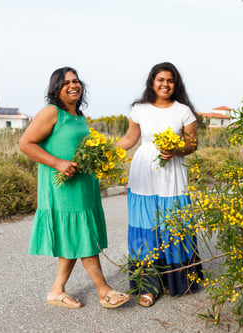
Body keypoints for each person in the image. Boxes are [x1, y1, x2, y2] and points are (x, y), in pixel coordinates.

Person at [19, 67, 130, 309]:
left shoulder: (79, 117)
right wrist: (58, 163)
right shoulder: (52, 112)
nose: (73, 85)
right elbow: (25, 143)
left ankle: (56, 291)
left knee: (74, 237)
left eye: (76, 81)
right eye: (67, 82)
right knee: (82, 236)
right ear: (56, 88)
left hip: (83, 186)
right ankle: (104, 291)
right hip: (63, 189)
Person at [117, 62, 203, 307]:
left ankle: (176, 281)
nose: (165, 84)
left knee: (173, 222)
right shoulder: (139, 109)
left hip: (172, 172)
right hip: (143, 171)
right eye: (160, 79)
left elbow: (192, 145)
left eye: (170, 80)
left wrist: (176, 149)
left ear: (175, 84)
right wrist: (104, 152)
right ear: (152, 82)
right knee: (145, 225)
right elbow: (129, 139)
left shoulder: (184, 111)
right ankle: (149, 286)